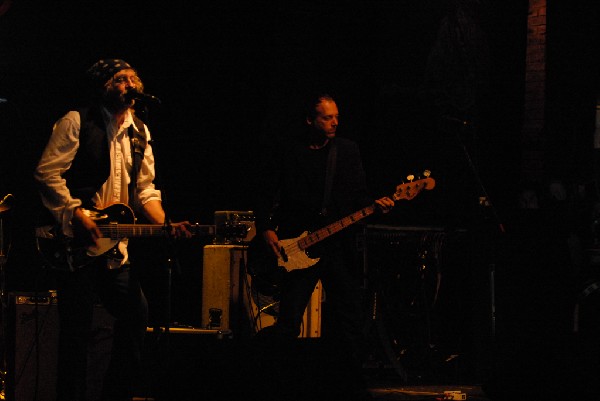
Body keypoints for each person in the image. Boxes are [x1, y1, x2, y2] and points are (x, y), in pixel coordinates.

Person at [33, 58, 190, 401]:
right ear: (103, 85)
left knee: (137, 317)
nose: (130, 84)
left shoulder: (140, 133)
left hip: (115, 249)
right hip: (76, 245)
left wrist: (164, 225)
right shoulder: (77, 121)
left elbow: (145, 191)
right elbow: (47, 174)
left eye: (134, 78)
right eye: (121, 79)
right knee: (75, 335)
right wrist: (74, 213)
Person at [249, 92, 394, 398]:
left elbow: (360, 196)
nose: (334, 123)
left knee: (350, 315)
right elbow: (264, 191)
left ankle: (352, 384)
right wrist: (265, 228)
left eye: (337, 117)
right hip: (298, 245)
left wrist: (375, 205)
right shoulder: (289, 151)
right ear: (309, 120)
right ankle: (278, 383)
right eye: (327, 117)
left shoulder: (348, 151)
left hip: (337, 247)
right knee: (289, 317)